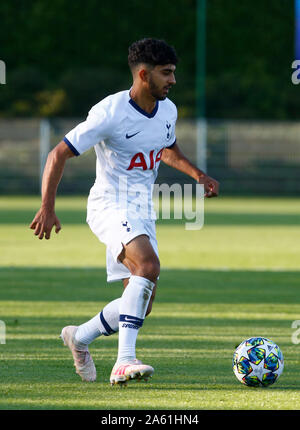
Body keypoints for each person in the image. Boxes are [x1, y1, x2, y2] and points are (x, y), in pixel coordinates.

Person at [30, 38, 219, 386]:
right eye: (166, 73)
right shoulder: (110, 113)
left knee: (141, 302)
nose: (173, 81)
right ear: (144, 75)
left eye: (174, 73)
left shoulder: (168, 110)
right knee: (148, 266)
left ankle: (80, 337)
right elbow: (59, 153)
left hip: (143, 209)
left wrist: (197, 174)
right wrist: (47, 206)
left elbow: (165, 147)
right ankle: (124, 361)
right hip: (109, 204)